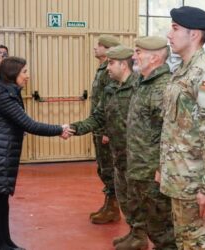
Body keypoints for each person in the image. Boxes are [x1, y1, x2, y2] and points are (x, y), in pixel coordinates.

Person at [0, 57, 73, 250]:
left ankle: (5, 242)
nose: (28, 76)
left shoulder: (3, 90)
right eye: (25, 72)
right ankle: (0, 244)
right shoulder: (3, 96)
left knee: (1, 199)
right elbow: (28, 124)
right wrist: (59, 129)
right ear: (13, 74)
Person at [160, 6, 205, 250]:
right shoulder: (181, 71)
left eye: (175, 28)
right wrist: (165, 169)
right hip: (181, 182)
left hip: (196, 185)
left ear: (194, 35)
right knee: (186, 244)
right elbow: (175, 127)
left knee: (204, 245)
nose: (169, 35)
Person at [69, 45, 139, 244]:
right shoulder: (110, 90)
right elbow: (97, 117)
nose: (107, 67)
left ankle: (141, 235)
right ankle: (135, 233)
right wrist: (73, 128)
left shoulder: (139, 88)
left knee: (139, 200)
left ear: (123, 65)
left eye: (111, 63)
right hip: (118, 154)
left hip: (138, 156)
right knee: (124, 196)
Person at [117, 36, 176, 250]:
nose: (134, 56)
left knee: (163, 230)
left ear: (154, 58)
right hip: (141, 168)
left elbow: (169, 133)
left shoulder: (162, 87)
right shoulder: (144, 83)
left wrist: (162, 168)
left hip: (153, 172)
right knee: (153, 225)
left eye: (139, 52)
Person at [88, 34, 121, 224]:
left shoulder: (110, 72)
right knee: (103, 167)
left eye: (99, 45)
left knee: (109, 168)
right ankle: (109, 203)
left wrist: (108, 131)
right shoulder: (102, 69)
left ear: (108, 50)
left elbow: (112, 102)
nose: (95, 48)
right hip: (99, 126)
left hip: (105, 128)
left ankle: (113, 208)